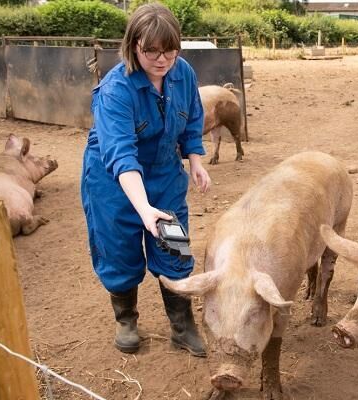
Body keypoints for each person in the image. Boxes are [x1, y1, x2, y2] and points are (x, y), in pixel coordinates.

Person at [80, 3, 211, 356]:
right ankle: (126, 319)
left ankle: (182, 326)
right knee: (119, 248)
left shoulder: (183, 73)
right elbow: (121, 157)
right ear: (133, 45)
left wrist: (195, 161)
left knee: (174, 247)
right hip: (113, 183)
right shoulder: (115, 91)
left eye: (169, 49)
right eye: (151, 50)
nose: (162, 59)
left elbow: (193, 118)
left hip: (165, 173)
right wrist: (144, 210)